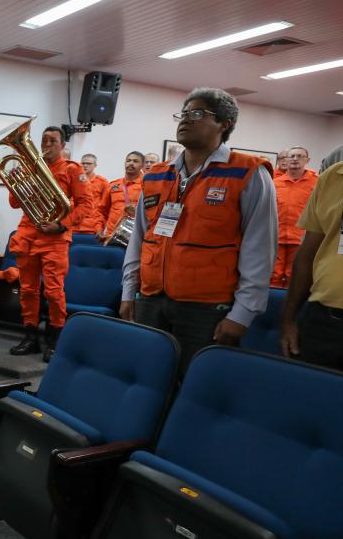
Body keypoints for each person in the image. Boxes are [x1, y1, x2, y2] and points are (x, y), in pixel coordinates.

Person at [120, 87, 277, 367]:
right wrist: (128, 291)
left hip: (207, 308)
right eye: (183, 114)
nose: (185, 119)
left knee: (194, 379)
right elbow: (139, 239)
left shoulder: (248, 172)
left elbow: (260, 248)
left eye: (197, 114)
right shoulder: (157, 175)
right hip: (151, 300)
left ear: (224, 124)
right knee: (146, 373)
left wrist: (242, 314)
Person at [8, 125, 94, 362]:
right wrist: (15, 181)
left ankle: (56, 338)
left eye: (53, 141)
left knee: (54, 292)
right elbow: (14, 203)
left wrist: (61, 225)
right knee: (27, 290)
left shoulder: (72, 169)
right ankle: (30, 336)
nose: (47, 145)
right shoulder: (31, 167)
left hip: (55, 237)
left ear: (63, 145)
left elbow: (86, 205)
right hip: (28, 234)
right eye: (44, 140)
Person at [279, 155, 343, 371]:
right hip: (323, 321)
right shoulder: (334, 176)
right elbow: (307, 255)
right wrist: (289, 320)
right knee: (308, 390)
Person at [271, 146, 318, 288]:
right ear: (286, 160)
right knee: (273, 274)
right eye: (291, 156)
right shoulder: (275, 182)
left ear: (307, 160)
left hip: (302, 238)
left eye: (299, 156)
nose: (295, 159)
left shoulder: (317, 182)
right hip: (276, 237)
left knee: (294, 276)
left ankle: (290, 301)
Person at [98, 151, 145, 240]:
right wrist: (99, 228)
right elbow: (101, 210)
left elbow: (153, 213)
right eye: (128, 160)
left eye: (135, 161)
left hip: (136, 237)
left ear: (142, 165)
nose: (131, 163)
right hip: (111, 236)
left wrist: (137, 212)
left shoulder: (147, 185)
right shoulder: (113, 185)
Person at [79, 153, 109, 234]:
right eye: (83, 163)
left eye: (88, 163)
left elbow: (105, 206)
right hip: (75, 225)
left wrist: (100, 226)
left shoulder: (102, 182)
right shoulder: (75, 180)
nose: (85, 165)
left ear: (95, 165)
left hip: (92, 226)